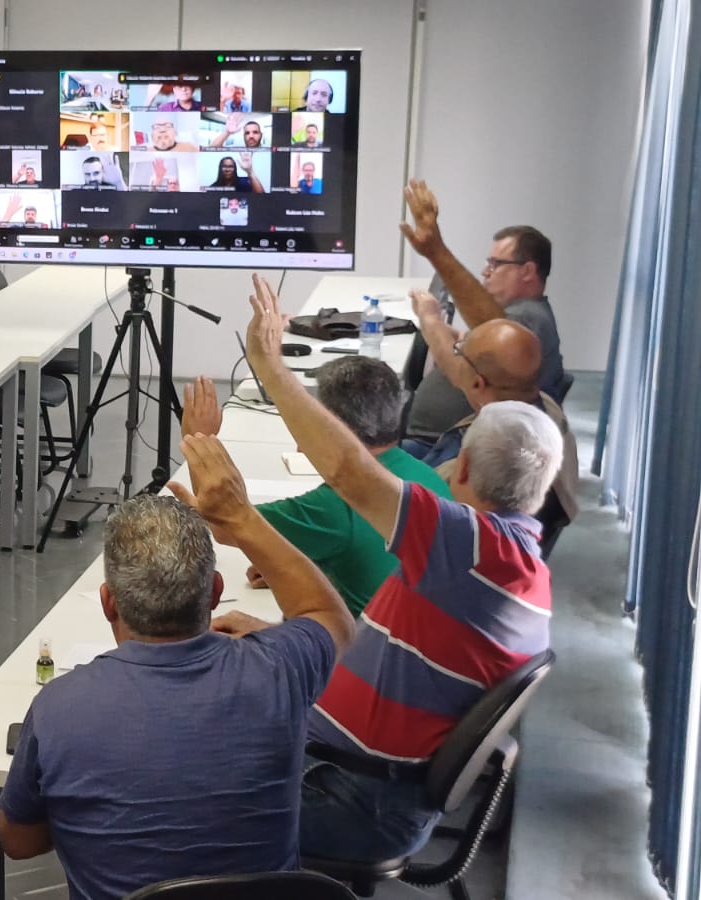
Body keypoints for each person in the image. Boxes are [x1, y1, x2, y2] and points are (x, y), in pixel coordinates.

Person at [236, 273, 558, 864]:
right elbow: (390, 645)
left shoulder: (469, 546)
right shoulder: (520, 562)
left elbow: (349, 472)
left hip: (350, 795)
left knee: (172, 791)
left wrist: (272, 369)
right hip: (367, 779)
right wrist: (276, 637)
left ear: (459, 470)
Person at [0, 441, 353, 900]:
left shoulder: (58, 707)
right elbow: (330, 617)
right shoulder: (279, 669)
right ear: (215, 592)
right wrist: (242, 519)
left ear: (109, 603)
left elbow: (19, 841)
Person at [181, 362, 452, 616]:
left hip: (361, 660)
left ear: (332, 427)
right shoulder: (427, 477)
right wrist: (301, 568)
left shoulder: (337, 506)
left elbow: (224, 522)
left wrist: (199, 440)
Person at [399, 180, 566, 441]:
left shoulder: (529, 318)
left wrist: (430, 317)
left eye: (496, 264)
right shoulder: (523, 316)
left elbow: (458, 369)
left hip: (439, 445)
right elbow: (473, 344)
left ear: (528, 271)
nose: (485, 272)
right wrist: (447, 332)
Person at [404, 298, 579, 523]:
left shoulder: (472, 462)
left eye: (459, 352)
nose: (456, 355)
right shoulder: (545, 414)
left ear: (478, 384)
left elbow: (412, 511)